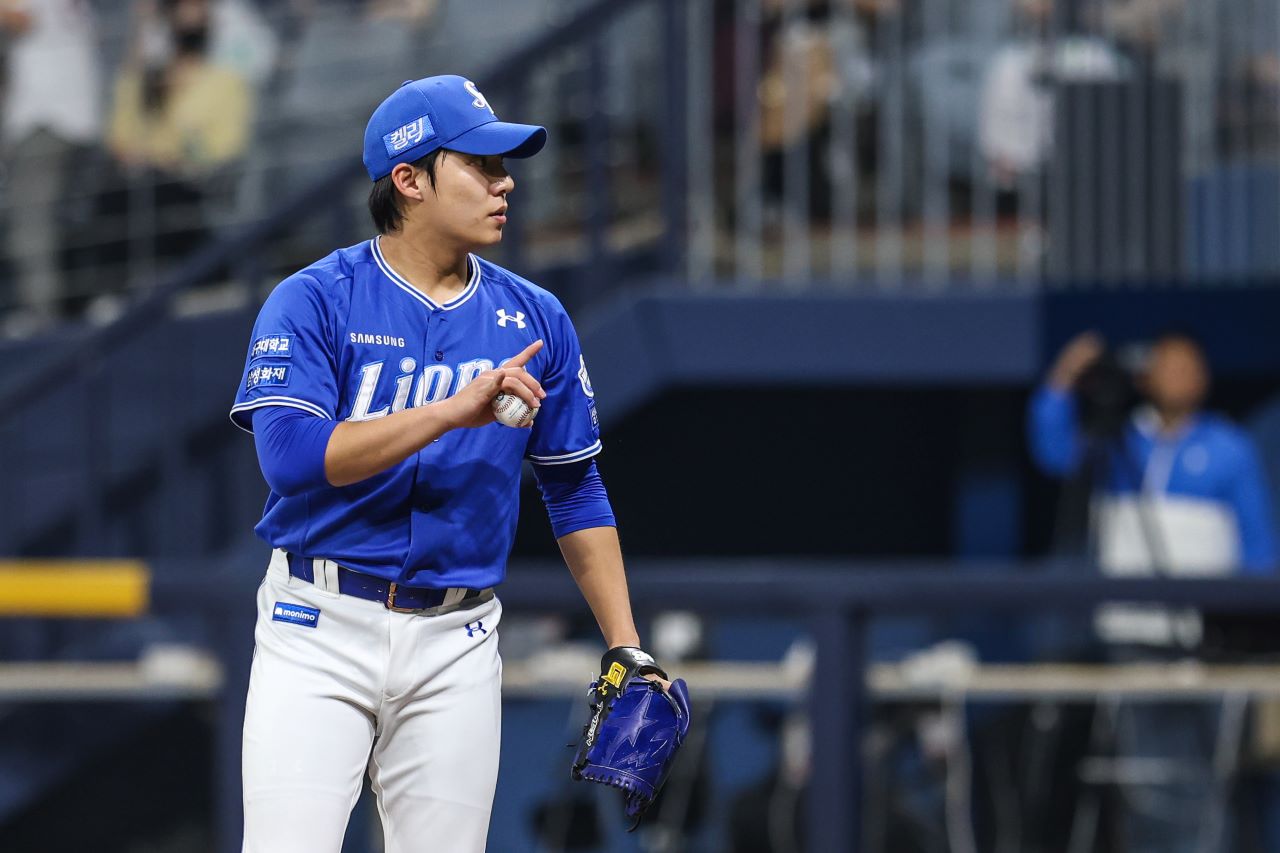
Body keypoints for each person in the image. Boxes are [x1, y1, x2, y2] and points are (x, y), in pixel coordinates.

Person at [229, 74, 670, 852]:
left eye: (504, 166)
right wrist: (451, 410)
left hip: (456, 638)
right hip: (318, 624)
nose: (506, 183)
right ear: (409, 180)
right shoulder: (313, 300)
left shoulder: (536, 317)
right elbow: (292, 459)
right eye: (481, 165)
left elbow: (574, 488)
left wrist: (625, 640)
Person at [1029, 329, 1278, 853]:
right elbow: (1055, 453)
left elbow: (1259, 548)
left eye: (1192, 367)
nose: (1182, 377)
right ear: (1146, 377)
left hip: (1210, 646)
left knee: (1209, 777)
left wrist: (1253, 631)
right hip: (1133, 639)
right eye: (1170, 366)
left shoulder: (1229, 448)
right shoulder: (1117, 445)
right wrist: (1064, 379)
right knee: (1145, 778)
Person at [0, 0, 102, 333]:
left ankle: (42, 317)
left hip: (48, 119)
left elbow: (19, 19)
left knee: (28, 218)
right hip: (74, 117)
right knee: (62, 221)